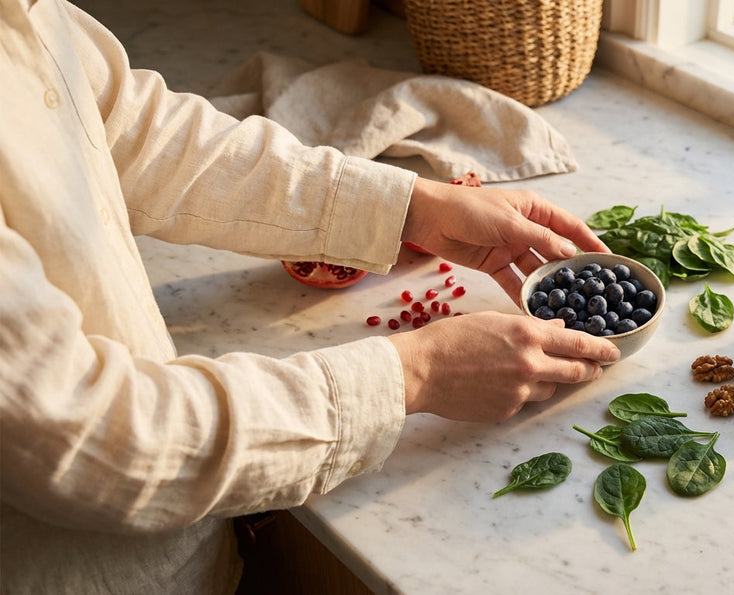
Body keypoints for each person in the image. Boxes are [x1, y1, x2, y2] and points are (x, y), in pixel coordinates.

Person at [0, 0, 620, 592]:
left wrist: (408, 206)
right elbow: (89, 440)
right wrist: (416, 371)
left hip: (181, 555)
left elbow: (127, 128)